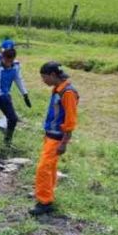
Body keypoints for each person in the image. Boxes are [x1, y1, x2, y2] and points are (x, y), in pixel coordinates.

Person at [29, 62, 79, 216]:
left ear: (52, 75)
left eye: (44, 77)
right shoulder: (58, 90)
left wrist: (64, 143)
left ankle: (44, 202)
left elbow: (70, 120)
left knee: (43, 169)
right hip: (50, 136)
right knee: (49, 169)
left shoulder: (67, 92)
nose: (43, 80)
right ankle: (46, 195)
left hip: (57, 139)